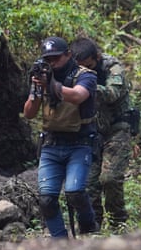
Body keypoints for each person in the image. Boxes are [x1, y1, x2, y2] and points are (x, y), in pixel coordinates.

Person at [23, 36, 98, 238]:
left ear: (68, 55)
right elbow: (29, 113)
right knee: (47, 199)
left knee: (75, 192)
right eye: (48, 59)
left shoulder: (86, 75)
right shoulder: (43, 77)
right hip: (51, 144)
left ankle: (89, 229)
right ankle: (60, 242)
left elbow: (77, 96)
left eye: (56, 58)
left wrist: (51, 85)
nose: (52, 63)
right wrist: (36, 90)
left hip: (79, 143)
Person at [70, 37, 132, 228]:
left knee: (110, 178)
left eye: (88, 66)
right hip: (91, 131)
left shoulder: (113, 68)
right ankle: (93, 226)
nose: (85, 70)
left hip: (117, 129)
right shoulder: (74, 69)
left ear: (96, 57)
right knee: (88, 183)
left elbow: (113, 94)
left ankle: (118, 223)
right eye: (81, 67)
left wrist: (86, 88)